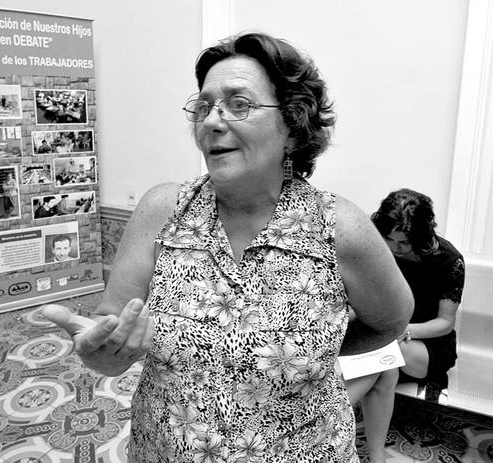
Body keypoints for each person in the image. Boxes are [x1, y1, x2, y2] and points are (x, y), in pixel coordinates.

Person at [42, 32, 413, 462]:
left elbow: (392, 319)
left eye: (240, 104)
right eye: (203, 106)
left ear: (292, 126)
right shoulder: (162, 210)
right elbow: (113, 331)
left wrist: (317, 351)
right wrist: (104, 355)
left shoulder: (339, 227)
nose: (212, 121)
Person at [345, 188, 465, 462]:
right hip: (385, 335)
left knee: (385, 358)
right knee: (385, 371)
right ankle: (377, 457)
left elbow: (444, 323)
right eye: (388, 238)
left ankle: (324, 414)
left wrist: (403, 330)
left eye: (404, 242)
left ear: (421, 236)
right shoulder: (380, 249)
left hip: (425, 343)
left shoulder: (449, 260)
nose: (394, 248)